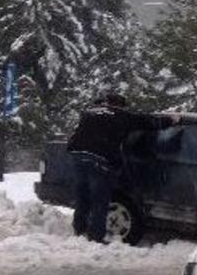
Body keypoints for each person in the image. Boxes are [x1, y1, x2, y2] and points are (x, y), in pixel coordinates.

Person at [67, 93, 179, 243]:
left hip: (78, 157)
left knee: (82, 197)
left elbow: (75, 136)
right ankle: (95, 238)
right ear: (120, 105)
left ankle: (79, 231)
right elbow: (148, 122)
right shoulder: (121, 116)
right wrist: (171, 119)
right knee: (100, 200)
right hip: (99, 161)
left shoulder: (89, 112)